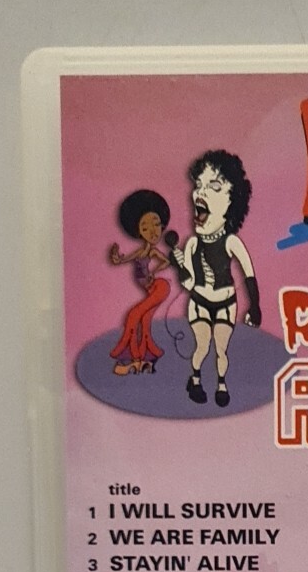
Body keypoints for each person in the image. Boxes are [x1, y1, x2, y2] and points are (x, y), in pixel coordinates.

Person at [171, 151, 260, 406]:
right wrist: (181, 268)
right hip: (199, 302)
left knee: (221, 349)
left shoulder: (232, 242)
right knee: (202, 346)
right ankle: (196, 378)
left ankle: (221, 384)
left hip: (226, 304)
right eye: (199, 185)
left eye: (215, 186)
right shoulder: (191, 245)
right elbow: (189, 283)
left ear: (232, 201)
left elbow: (249, 274)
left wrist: (254, 306)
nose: (201, 192)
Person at [108, 189, 172, 375]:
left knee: (133, 314)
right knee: (144, 319)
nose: (153, 232)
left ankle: (130, 356)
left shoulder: (152, 252)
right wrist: (116, 257)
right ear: (138, 231)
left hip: (159, 287)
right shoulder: (141, 252)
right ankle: (147, 357)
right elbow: (123, 260)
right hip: (150, 290)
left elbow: (166, 261)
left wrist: (154, 271)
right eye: (145, 228)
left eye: (156, 224)